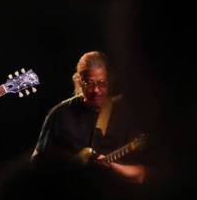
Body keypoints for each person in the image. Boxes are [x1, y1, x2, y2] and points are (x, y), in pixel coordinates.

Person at [32, 51, 146, 183]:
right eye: (89, 83)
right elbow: (37, 164)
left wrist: (113, 167)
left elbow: (143, 174)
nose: (95, 90)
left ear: (110, 80)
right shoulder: (60, 114)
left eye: (101, 83)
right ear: (79, 81)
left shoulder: (126, 113)